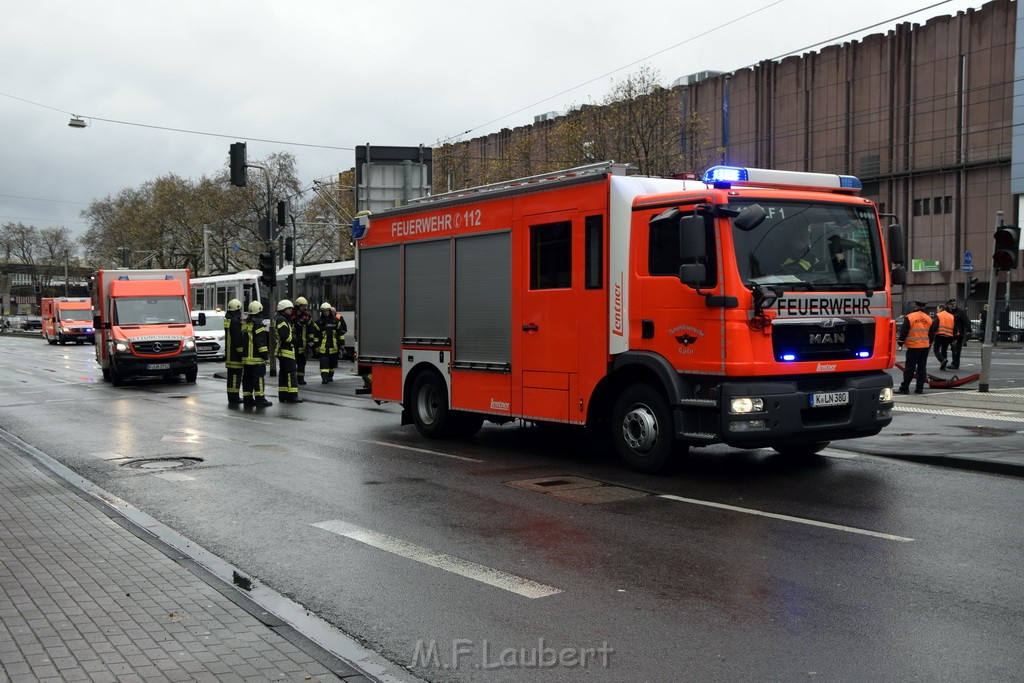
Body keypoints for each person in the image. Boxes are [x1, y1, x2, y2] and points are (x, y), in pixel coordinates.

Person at [897, 300, 934, 395]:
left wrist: (900, 343)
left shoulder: (910, 317)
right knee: (922, 368)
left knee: (910, 368)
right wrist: (929, 344)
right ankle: (919, 388)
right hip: (924, 346)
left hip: (913, 346)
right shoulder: (928, 318)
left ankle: (904, 388)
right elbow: (931, 334)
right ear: (924, 307)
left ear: (915, 306)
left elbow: (904, 331)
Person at [241, 301, 272, 407]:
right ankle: (260, 400)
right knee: (258, 379)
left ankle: (248, 400)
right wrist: (265, 355)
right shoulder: (259, 324)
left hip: (246, 359)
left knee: (247, 380)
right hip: (256, 359)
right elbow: (261, 342)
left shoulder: (246, 324)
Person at [274, 299, 303, 403]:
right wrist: (294, 338)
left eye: (291, 308)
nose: (291, 310)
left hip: (283, 351)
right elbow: (285, 337)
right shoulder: (282, 319)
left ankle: (283, 395)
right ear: (283, 309)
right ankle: (292, 395)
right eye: (289, 308)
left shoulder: (281, 318)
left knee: (283, 374)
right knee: (291, 373)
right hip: (286, 351)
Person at [311, 302, 342, 383]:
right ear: (322, 311)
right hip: (323, 347)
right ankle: (324, 378)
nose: (326, 312)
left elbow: (340, 333)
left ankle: (330, 376)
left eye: (327, 311)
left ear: (330, 311)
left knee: (332, 364)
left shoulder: (336, 321)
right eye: (324, 311)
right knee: (324, 364)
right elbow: (316, 336)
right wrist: (316, 346)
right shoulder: (318, 322)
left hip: (334, 347)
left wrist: (342, 344)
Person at [223, 298, 244, 405]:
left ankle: (231, 397)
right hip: (235, 355)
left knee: (231, 377)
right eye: (239, 311)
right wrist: (241, 353)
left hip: (229, 354)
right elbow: (237, 339)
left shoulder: (228, 320)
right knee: (236, 377)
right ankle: (235, 397)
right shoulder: (235, 322)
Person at [292, 296, 312, 385]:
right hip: (293, 343)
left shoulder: (307, 317)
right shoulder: (291, 316)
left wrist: (311, 340)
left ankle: (301, 378)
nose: (305, 308)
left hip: (303, 344)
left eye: (305, 306)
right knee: (293, 362)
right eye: (303, 306)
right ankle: (293, 378)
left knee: (302, 362)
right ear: (298, 306)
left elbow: (311, 329)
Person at [945, 298, 970, 369]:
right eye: (951, 304)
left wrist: (969, 330)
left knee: (956, 348)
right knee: (950, 348)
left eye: (954, 303)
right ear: (948, 305)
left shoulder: (960, 312)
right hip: (948, 333)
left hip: (958, 334)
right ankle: (945, 361)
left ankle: (955, 364)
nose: (953, 305)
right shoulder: (946, 312)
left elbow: (966, 321)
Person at [932, 303, 954, 371]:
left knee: (936, 349)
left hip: (939, 334)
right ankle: (943, 366)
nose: (937, 310)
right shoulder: (951, 316)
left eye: (937, 309)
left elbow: (935, 325)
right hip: (948, 335)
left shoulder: (938, 315)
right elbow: (954, 326)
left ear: (941, 308)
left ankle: (942, 360)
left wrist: (932, 333)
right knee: (944, 350)